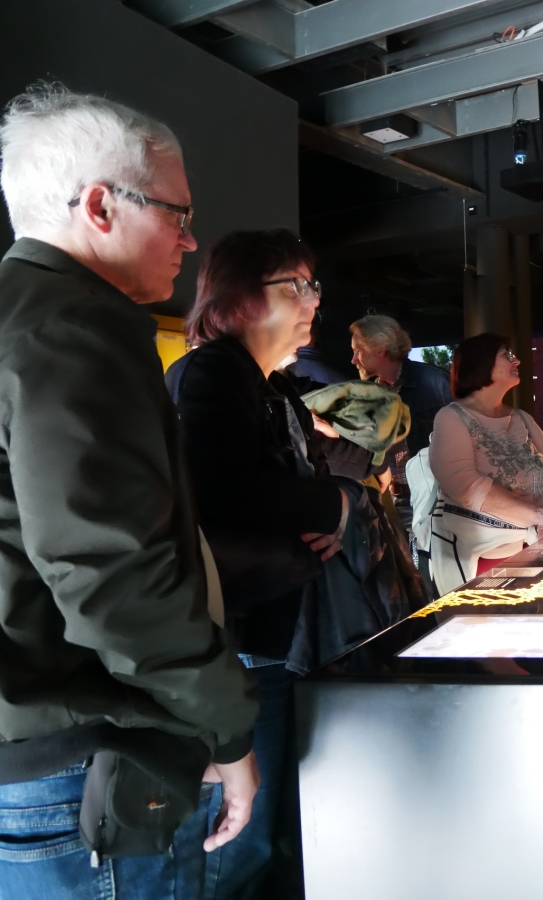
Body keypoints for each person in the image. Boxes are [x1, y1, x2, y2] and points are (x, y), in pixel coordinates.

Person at [0, 84, 259, 898]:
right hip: (84, 761)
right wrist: (227, 727)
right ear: (100, 205)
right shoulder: (75, 328)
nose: (190, 239)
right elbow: (112, 574)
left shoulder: (21, 315)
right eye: (177, 214)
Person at [169, 229, 350, 900]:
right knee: (238, 846)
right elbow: (224, 491)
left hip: (275, 632)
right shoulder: (212, 372)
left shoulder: (266, 385)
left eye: (313, 286)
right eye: (294, 286)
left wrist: (332, 509)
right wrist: (334, 504)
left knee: (269, 835)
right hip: (243, 639)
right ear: (237, 297)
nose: (312, 301)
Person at [426, 333, 543, 592]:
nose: (517, 360)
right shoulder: (451, 417)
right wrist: (540, 516)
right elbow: (464, 484)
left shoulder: (522, 418)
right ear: (481, 363)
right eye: (507, 355)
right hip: (477, 558)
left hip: (534, 549)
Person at [349, 315, 453, 501]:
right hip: (396, 498)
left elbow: (462, 445)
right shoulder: (371, 393)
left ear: (380, 349)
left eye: (358, 351)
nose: (354, 360)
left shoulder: (433, 382)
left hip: (435, 499)